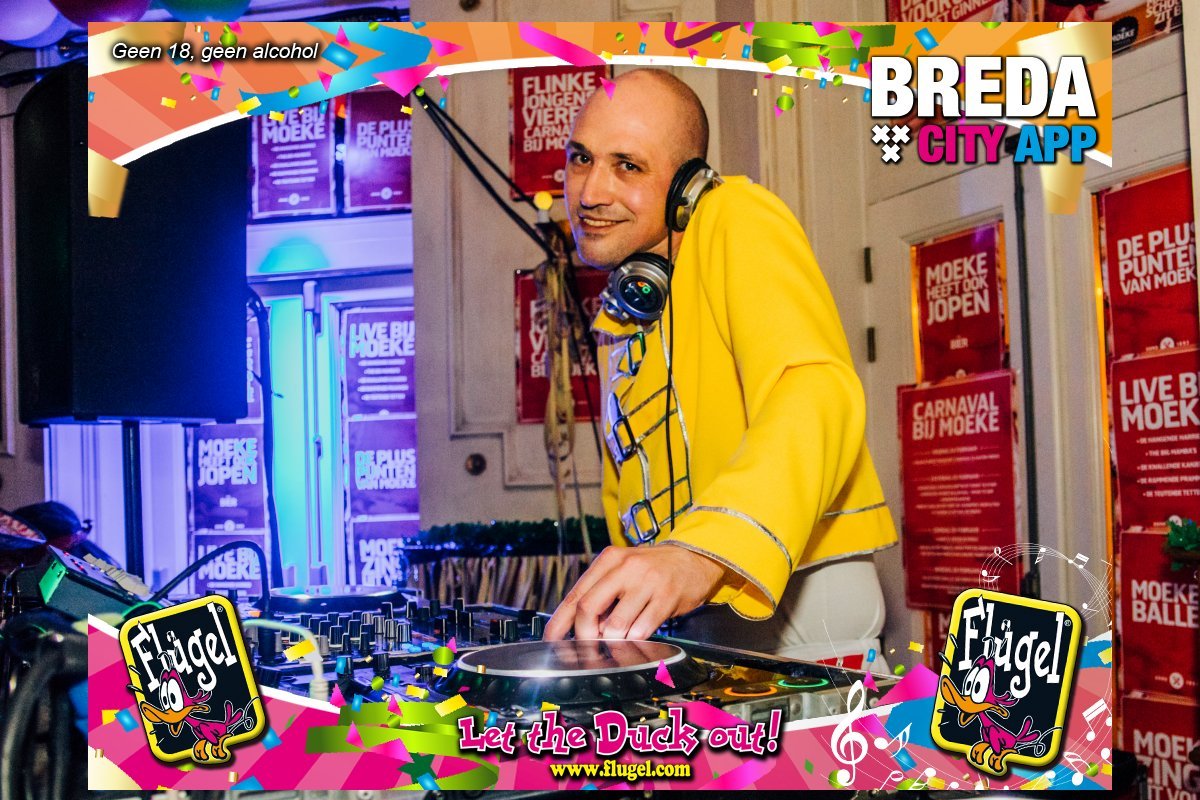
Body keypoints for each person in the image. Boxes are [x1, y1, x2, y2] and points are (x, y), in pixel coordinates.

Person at [543, 70, 898, 650]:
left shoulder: (738, 215)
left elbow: (813, 389)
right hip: (701, 629)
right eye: (581, 158)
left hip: (798, 620)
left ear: (686, 186)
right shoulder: (636, 300)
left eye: (628, 166)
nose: (589, 192)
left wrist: (698, 554)